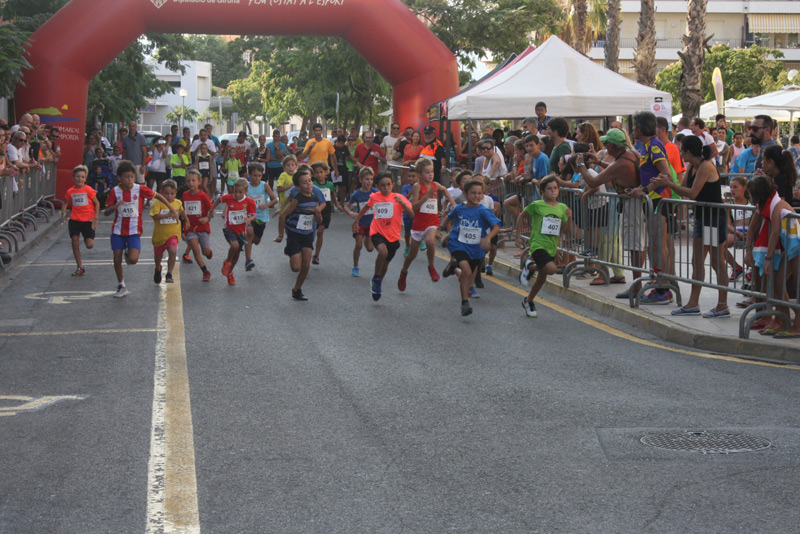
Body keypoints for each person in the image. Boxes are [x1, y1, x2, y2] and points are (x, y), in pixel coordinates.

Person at [653, 136, 730, 317]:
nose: (679, 153)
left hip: (712, 218)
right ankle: (693, 303)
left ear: (688, 152)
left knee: (716, 262)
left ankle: (722, 304)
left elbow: (693, 193)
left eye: (681, 150)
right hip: (702, 216)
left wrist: (669, 183)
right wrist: (667, 183)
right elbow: (682, 187)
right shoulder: (693, 166)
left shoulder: (706, 166)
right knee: (696, 261)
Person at [104, 160, 178, 298]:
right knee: (116, 258)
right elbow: (106, 212)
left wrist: (171, 208)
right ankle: (121, 285)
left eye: (132, 176)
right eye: (126, 177)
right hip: (118, 230)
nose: (130, 180)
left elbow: (158, 195)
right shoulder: (115, 191)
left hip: (134, 230)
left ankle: (128, 253)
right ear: (119, 178)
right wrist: (113, 207)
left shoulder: (140, 189)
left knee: (133, 260)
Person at [745, 175, 800, 338]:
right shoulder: (764, 205)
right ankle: (782, 319)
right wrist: (748, 249)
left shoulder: (776, 206)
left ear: (757, 194)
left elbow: (775, 232)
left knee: (798, 285)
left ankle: (798, 325)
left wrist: (768, 259)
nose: (749, 198)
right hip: (791, 247)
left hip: (797, 246)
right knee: (777, 281)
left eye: (750, 195)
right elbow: (753, 227)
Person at [440, 179, 501, 315]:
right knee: (467, 273)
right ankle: (465, 303)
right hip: (459, 244)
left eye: (480, 193)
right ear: (465, 194)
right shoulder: (459, 208)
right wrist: (441, 229)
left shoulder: (483, 211)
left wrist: (487, 238)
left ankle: (454, 268)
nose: (477, 196)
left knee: (467, 275)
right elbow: (448, 217)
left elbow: (496, 227)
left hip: (475, 248)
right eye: (473, 193)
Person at [352, 172, 414, 301]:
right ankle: (376, 277)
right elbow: (365, 208)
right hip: (377, 231)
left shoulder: (399, 197)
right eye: (382, 185)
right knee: (382, 251)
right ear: (377, 186)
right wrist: (357, 220)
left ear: (393, 185)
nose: (386, 188)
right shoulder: (374, 197)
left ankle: (378, 281)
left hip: (393, 235)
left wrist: (402, 203)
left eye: (388, 185)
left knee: (385, 265)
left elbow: (412, 214)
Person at [517, 175, 572, 317]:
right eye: (549, 189)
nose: (553, 191)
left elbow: (565, 230)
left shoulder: (562, 208)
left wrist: (569, 217)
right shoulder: (537, 205)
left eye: (555, 188)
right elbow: (522, 215)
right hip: (537, 244)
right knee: (551, 269)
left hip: (551, 246)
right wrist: (518, 236)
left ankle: (528, 300)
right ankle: (529, 266)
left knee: (542, 277)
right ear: (542, 191)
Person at [397, 158, 455, 290]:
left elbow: (445, 190)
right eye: (427, 172)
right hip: (419, 223)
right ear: (420, 174)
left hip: (432, 221)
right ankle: (404, 272)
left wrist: (453, 203)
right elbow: (414, 207)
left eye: (432, 171)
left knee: (430, 241)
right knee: (412, 255)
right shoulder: (418, 187)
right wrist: (427, 197)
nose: (430, 174)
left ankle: (431, 267)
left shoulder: (435, 185)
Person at [275, 166, 322, 300]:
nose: (309, 184)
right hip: (294, 234)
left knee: (306, 265)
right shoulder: (297, 199)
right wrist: (280, 234)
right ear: (298, 186)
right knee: (296, 267)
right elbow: (283, 216)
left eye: (310, 181)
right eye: (305, 182)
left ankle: (297, 289)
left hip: (307, 234)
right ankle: (290, 249)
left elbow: (318, 220)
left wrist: (318, 215)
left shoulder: (314, 198)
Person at [211, 177, 256, 286]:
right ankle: (227, 262)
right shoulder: (229, 198)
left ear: (246, 191)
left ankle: (230, 272)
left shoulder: (249, 201)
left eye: (240, 192)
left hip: (241, 231)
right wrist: (211, 209)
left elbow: (254, 214)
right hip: (229, 228)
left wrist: (249, 219)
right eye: (235, 191)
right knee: (234, 246)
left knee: (236, 255)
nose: (237, 194)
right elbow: (219, 199)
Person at [61, 165, 100, 277]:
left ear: (85, 178)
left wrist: (95, 218)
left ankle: (86, 237)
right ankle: (80, 267)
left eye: (82, 177)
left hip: (88, 220)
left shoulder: (89, 190)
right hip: (75, 220)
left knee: (89, 245)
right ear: (73, 178)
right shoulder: (70, 191)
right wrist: (62, 213)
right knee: (75, 241)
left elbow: (97, 203)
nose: (80, 179)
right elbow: (65, 203)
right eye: (78, 177)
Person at [238, 163, 277, 272]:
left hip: (261, 217)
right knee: (249, 233)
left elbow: (274, 199)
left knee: (256, 240)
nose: (257, 178)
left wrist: (266, 205)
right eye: (255, 175)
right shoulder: (246, 187)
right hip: (249, 217)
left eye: (259, 175)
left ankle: (246, 242)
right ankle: (248, 260)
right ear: (250, 175)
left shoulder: (264, 185)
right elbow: (238, 199)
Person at [345, 167, 379, 277]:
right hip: (360, 223)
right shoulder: (356, 194)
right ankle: (355, 266)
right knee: (358, 245)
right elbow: (346, 206)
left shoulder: (375, 192)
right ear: (361, 180)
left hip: (372, 224)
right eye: (366, 179)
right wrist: (352, 214)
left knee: (370, 248)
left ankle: (367, 238)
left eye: (371, 179)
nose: (369, 182)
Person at [181, 169, 214, 281]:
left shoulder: (203, 196)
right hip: (190, 228)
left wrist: (207, 218)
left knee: (205, 252)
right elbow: (182, 212)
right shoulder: (185, 195)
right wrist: (182, 228)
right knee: (195, 248)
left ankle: (208, 252)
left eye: (193, 180)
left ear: (199, 182)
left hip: (202, 227)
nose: (191, 183)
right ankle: (205, 271)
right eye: (189, 181)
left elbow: (212, 211)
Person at [150, 179, 183, 285]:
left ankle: (169, 273)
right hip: (160, 235)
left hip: (173, 233)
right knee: (158, 257)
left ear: (175, 193)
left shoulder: (178, 203)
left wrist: (186, 221)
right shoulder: (157, 203)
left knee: (173, 251)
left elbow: (182, 212)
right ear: (161, 192)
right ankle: (158, 267)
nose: (169, 196)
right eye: (166, 193)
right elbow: (154, 216)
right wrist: (166, 215)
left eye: (172, 193)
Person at [309, 161, 342, 265]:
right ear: (313, 174)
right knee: (312, 233)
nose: (319, 174)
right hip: (315, 209)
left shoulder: (330, 184)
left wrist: (337, 204)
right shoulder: (313, 185)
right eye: (317, 172)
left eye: (321, 172)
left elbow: (333, 195)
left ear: (326, 172)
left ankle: (316, 255)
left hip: (326, 210)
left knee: (320, 231)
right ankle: (307, 251)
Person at [725, 176, 751, 283]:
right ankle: (736, 268)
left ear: (744, 188)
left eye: (735, 187)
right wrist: (739, 233)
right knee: (718, 243)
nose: (732, 190)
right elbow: (728, 225)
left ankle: (752, 268)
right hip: (737, 232)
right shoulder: (729, 205)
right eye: (730, 187)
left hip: (751, 232)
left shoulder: (751, 202)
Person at [401, 166, 418, 256]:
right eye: (409, 176)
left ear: (417, 177)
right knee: (408, 231)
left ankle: (420, 241)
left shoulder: (420, 186)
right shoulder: (405, 187)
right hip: (407, 212)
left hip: (416, 212)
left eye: (413, 176)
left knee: (417, 227)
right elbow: (404, 198)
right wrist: (412, 191)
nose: (410, 178)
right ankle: (407, 245)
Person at [333, 135, 355, 204]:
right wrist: (335, 170)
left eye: (342, 143)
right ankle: (333, 203)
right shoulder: (332, 148)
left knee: (343, 187)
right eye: (339, 143)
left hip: (343, 169)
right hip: (333, 170)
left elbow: (349, 156)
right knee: (332, 187)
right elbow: (332, 160)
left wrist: (357, 162)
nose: (341, 145)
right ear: (336, 142)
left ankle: (342, 202)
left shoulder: (345, 148)